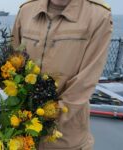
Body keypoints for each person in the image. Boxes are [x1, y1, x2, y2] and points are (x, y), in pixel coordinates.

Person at [12, 0, 112, 149]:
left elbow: (86, 80)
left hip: (67, 137)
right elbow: (14, 61)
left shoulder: (98, 15)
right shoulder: (26, 11)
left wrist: (49, 115)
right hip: (23, 132)